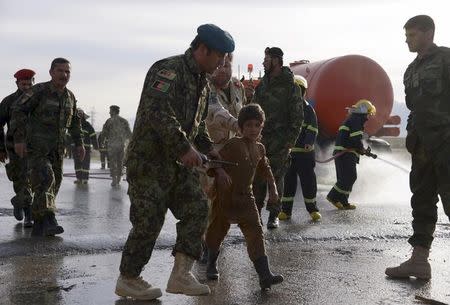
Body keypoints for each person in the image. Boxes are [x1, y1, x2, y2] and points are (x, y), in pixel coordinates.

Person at [115, 24, 235, 301]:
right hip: (149, 162)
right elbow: (156, 111)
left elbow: (196, 127)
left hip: (178, 165)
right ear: (203, 49)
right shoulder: (168, 70)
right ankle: (129, 278)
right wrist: (184, 148)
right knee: (149, 220)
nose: (222, 64)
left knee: (197, 207)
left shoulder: (202, 83)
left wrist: (209, 150)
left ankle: (181, 274)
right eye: (220, 57)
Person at [385, 15, 450, 281]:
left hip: (446, 143)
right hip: (423, 147)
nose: (407, 40)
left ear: (428, 33)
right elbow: (414, 108)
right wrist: (412, 135)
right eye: (407, 35)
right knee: (422, 202)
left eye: (412, 35)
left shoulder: (446, 59)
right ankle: (419, 261)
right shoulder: (411, 70)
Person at [205, 103, 284, 290]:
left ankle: (264, 275)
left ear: (261, 127)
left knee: (256, 232)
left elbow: (266, 169)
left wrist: (273, 188)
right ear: (240, 128)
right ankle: (210, 264)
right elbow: (213, 163)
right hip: (226, 196)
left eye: (257, 125)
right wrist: (220, 172)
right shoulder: (233, 144)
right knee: (217, 230)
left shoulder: (260, 148)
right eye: (248, 125)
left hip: (246, 198)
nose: (253, 129)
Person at [11, 57, 85, 236]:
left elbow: (75, 122)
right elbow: (17, 109)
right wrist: (19, 139)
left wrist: (79, 143)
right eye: (60, 71)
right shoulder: (39, 91)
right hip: (37, 148)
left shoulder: (70, 97)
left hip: (57, 151)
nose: (64, 75)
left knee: (53, 185)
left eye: (67, 72)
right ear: (51, 72)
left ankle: (40, 224)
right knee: (46, 180)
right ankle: (50, 219)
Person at [252, 47, 304, 229]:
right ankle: (255, 213)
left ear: (276, 60)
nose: (264, 62)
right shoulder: (262, 85)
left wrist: (290, 142)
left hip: (281, 141)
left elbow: (297, 117)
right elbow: (253, 109)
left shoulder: (291, 87)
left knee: (276, 177)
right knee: (257, 177)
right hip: (260, 139)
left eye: (267, 59)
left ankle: (273, 215)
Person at [278, 75, 321, 222]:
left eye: (298, 91)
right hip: (289, 155)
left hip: (305, 154)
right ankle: (285, 211)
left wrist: (309, 142)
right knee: (288, 183)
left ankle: (313, 210)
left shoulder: (308, 110)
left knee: (308, 182)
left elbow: (312, 128)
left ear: (303, 92)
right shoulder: (285, 110)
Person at [326, 99, 376, 210]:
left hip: (343, 152)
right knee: (350, 176)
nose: (368, 116)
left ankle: (343, 201)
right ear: (363, 111)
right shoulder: (357, 120)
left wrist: (361, 150)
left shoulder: (353, 119)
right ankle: (333, 197)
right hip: (345, 153)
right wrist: (361, 149)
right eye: (368, 113)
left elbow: (352, 140)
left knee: (345, 177)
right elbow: (355, 139)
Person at [0, 69, 35, 227]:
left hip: (36, 146)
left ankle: (23, 207)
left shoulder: (38, 99)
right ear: (17, 83)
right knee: (20, 179)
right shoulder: (8, 101)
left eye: (29, 83)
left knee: (34, 179)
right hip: (14, 148)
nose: (27, 87)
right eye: (23, 84)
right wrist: (1, 148)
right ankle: (25, 209)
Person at [101, 105, 132, 186]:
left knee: (112, 162)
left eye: (110, 111)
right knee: (120, 162)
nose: (109, 112)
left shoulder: (109, 121)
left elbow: (103, 133)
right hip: (122, 145)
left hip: (112, 145)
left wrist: (102, 142)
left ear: (114, 111)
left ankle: (114, 179)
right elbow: (129, 134)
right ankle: (118, 179)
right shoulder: (124, 121)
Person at [73, 108, 99, 185]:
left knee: (85, 164)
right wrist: (66, 145)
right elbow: (68, 136)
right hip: (76, 148)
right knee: (77, 164)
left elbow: (93, 135)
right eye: (78, 114)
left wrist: (96, 145)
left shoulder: (88, 125)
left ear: (83, 116)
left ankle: (85, 179)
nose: (79, 116)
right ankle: (79, 179)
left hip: (86, 148)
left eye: (81, 114)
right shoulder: (73, 125)